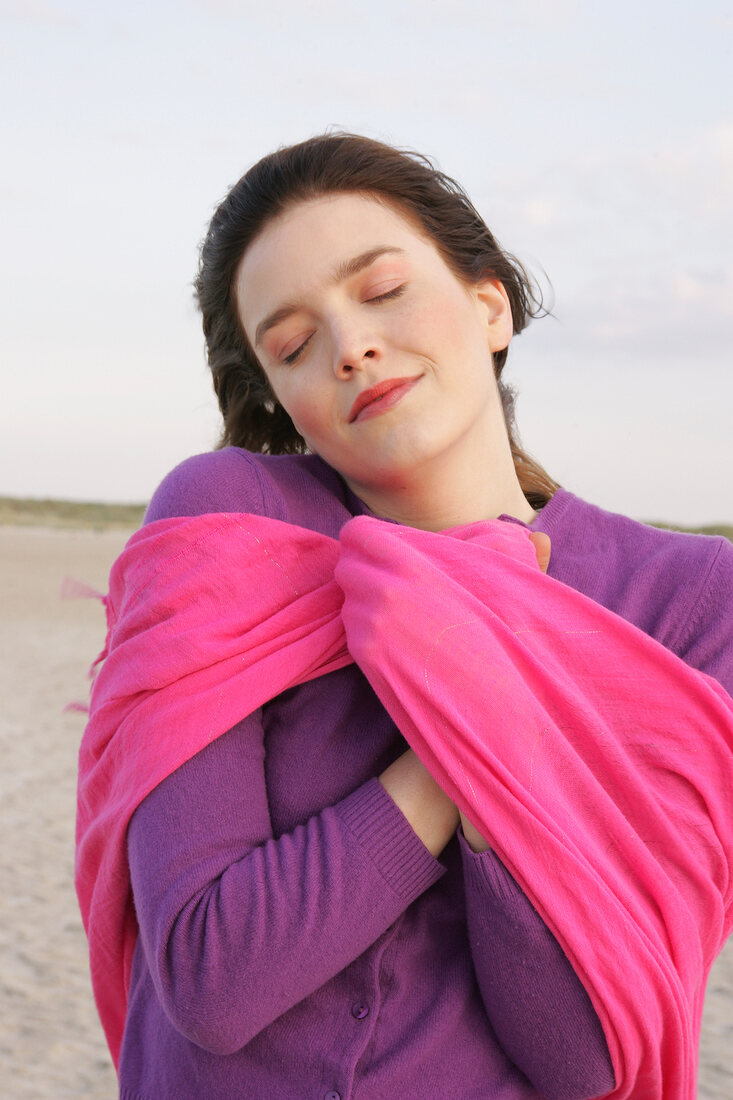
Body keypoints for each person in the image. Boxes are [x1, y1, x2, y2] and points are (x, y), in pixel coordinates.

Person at [78, 134, 733, 1100]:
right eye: (294, 344)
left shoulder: (686, 599)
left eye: (381, 291)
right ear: (284, 398)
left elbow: (587, 1052)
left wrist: (477, 708)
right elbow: (212, 978)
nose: (352, 348)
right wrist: (457, 740)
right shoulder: (229, 523)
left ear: (490, 303)